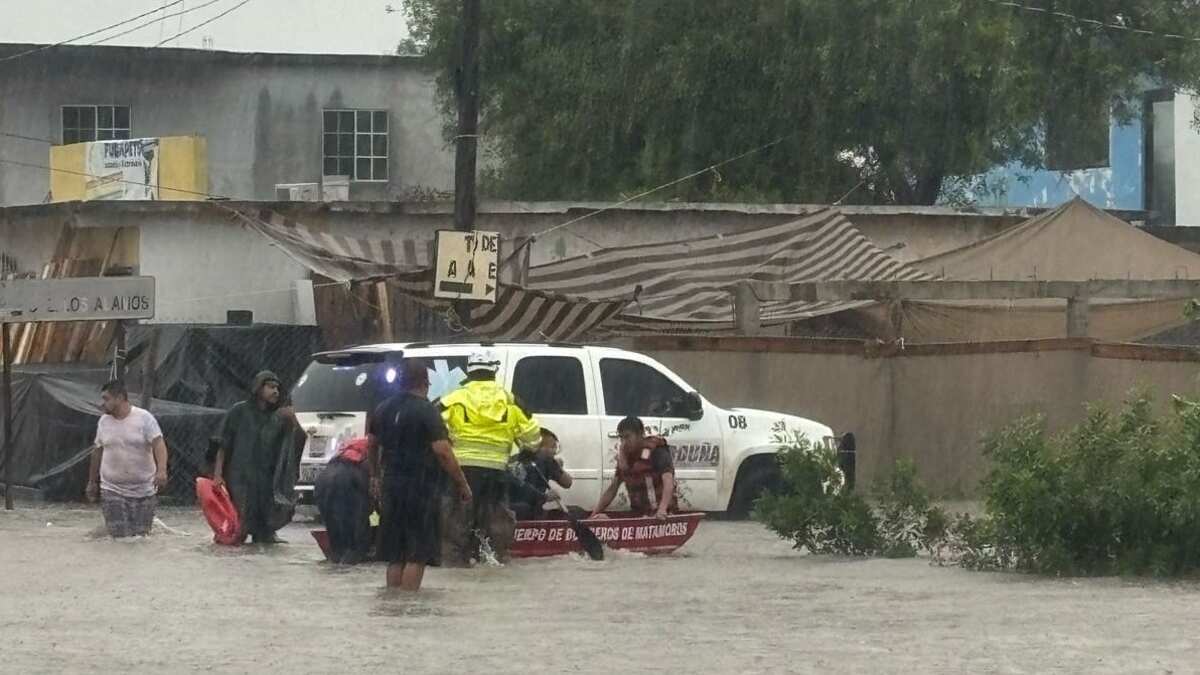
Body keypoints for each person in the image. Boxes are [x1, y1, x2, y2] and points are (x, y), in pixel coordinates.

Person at [368, 359, 472, 591]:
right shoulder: (427, 411)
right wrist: (462, 483)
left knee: (396, 554)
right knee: (417, 553)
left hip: (391, 486)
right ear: (425, 382)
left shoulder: (382, 408)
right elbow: (443, 451)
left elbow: (372, 444)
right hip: (421, 489)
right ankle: (409, 603)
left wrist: (374, 476)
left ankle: (393, 602)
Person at [439, 350, 541, 565]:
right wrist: (527, 450)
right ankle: (495, 563)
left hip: (462, 472)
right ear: (493, 371)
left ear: (469, 372)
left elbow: (435, 428)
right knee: (497, 528)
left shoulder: (453, 399)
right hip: (496, 473)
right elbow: (533, 435)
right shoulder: (511, 400)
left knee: (456, 528)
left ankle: (455, 568)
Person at [212, 371, 300, 545]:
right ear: (259, 388)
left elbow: (288, 448)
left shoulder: (278, 417)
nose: (275, 392)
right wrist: (217, 474)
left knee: (265, 524)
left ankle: (266, 535)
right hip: (240, 477)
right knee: (239, 525)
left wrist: (293, 420)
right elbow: (223, 444)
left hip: (266, 477)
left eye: (277, 388)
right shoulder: (239, 411)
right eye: (271, 387)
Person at [85, 380, 169, 538]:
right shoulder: (103, 422)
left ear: (120, 398)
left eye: (106, 399)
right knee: (120, 538)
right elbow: (97, 451)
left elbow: (159, 444)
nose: (103, 404)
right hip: (112, 489)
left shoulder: (144, 418)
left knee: (141, 538)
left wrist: (162, 470)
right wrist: (92, 482)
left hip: (144, 489)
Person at [590, 416, 678, 520]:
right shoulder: (625, 458)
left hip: (662, 514)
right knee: (601, 518)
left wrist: (662, 510)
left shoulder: (657, 451)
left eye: (627, 437)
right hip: (640, 515)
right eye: (622, 438)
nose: (624, 442)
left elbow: (668, 481)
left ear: (640, 434)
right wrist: (592, 516)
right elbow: (612, 489)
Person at [314, 437, 374, 565]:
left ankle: (336, 563)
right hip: (348, 478)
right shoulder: (380, 448)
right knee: (353, 542)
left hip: (324, 478)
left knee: (335, 537)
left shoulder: (353, 445)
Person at [508, 429, 574, 520]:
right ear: (539, 447)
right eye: (552, 447)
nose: (555, 451)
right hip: (529, 514)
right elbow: (567, 483)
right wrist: (558, 466)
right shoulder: (547, 461)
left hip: (506, 513)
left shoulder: (512, 460)